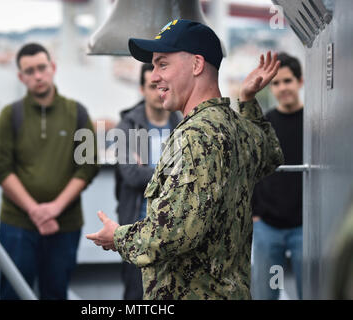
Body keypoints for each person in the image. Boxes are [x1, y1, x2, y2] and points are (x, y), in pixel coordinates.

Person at [86, 19, 284, 300]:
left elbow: (173, 234)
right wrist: (248, 100)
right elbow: (270, 156)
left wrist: (117, 237)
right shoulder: (237, 126)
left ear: (196, 65)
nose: (153, 76)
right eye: (154, 66)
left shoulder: (194, 136)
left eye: (162, 64)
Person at [0, 43, 99, 300]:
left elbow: (88, 165)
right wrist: (36, 211)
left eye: (41, 68)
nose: (37, 76)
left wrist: (54, 209)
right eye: (29, 71)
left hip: (64, 224)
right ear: (20, 77)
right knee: (13, 293)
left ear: (53, 67)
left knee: (56, 294)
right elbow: (1, 167)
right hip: (18, 225)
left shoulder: (77, 113)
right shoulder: (10, 115)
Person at [115, 63, 182, 299]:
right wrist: (174, 173)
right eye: (152, 86)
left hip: (178, 231)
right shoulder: (127, 127)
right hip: (138, 230)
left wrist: (150, 170)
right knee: (136, 295)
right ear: (142, 89)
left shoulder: (183, 124)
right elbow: (131, 175)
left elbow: (192, 176)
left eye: (162, 85)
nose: (158, 91)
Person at [250, 52, 304, 300]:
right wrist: (256, 215)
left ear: (300, 81)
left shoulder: (317, 123)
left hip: (305, 226)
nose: (282, 88)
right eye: (276, 83)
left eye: (288, 81)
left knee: (311, 292)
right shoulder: (265, 123)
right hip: (267, 226)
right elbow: (250, 170)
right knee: (264, 295)